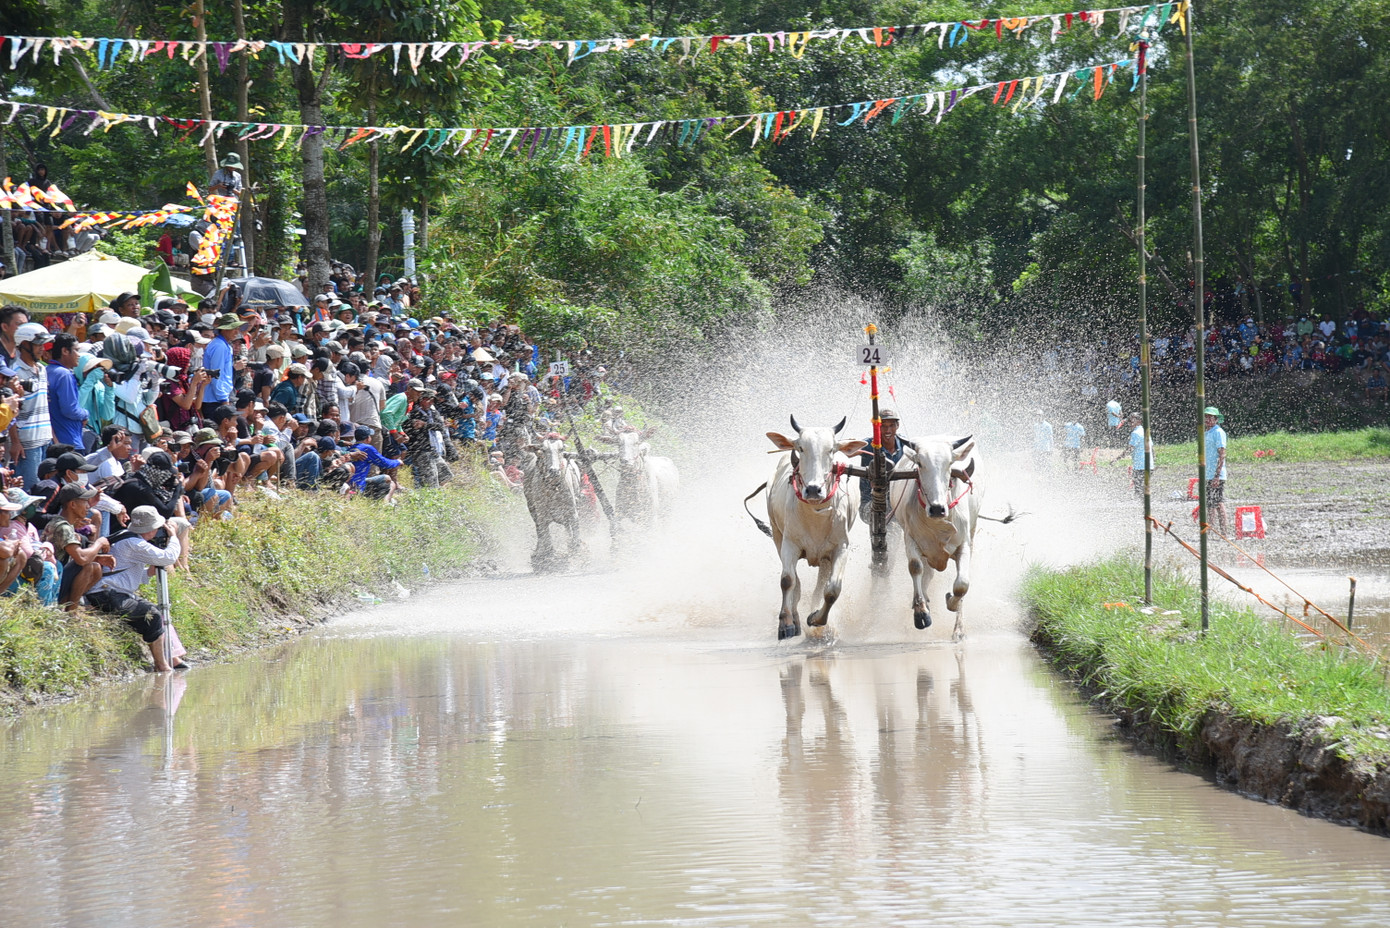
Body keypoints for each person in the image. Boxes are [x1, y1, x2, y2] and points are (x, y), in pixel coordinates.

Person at [84, 506, 184, 672]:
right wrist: (173, 536)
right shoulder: (134, 543)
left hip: (110, 590)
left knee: (154, 611)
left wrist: (151, 571)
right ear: (151, 529)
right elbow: (169, 557)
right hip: (105, 593)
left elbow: (131, 575)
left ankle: (171, 658)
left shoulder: (128, 538)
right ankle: (162, 666)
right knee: (152, 614)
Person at [46, 482, 114, 610]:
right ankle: (71, 611)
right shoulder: (63, 527)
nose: (88, 506)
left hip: (58, 578)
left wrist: (98, 558)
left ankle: (66, 605)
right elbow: (81, 559)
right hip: (53, 581)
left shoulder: (66, 524)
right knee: (87, 566)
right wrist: (99, 543)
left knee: (96, 568)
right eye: (84, 502)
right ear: (72, 505)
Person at [855, 407, 910, 521]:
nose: (888, 430)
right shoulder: (867, 445)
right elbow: (848, 451)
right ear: (876, 427)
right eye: (883, 426)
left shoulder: (907, 445)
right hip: (871, 502)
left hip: (899, 501)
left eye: (891, 425)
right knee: (881, 510)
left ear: (897, 426)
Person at [46, 333, 89, 450]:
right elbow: (70, 410)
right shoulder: (64, 374)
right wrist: (85, 413)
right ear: (65, 351)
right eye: (76, 350)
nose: (79, 355)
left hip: (53, 439)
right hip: (68, 440)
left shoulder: (46, 371)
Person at [1204, 406, 1229, 535]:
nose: (1207, 419)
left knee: (1218, 503)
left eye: (1210, 417)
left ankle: (1224, 532)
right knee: (1210, 503)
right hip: (1208, 474)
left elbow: (1222, 454)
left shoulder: (1218, 432)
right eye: (1206, 416)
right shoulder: (1206, 432)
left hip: (1216, 474)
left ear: (1216, 419)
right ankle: (1210, 529)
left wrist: (1217, 475)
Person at [1124, 413, 1153, 498]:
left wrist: (1116, 459)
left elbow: (1130, 449)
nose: (1130, 422)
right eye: (1129, 420)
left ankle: (1140, 506)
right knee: (1143, 489)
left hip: (1140, 466)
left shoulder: (1136, 433)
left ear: (1139, 421)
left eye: (1132, 420)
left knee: (1139, 490)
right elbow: (1152, 448)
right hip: (1149, 465)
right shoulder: (1145, 431)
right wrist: (1153, 462)